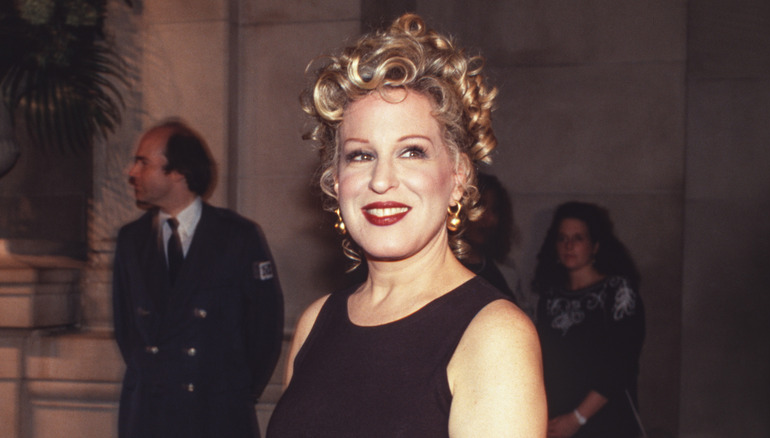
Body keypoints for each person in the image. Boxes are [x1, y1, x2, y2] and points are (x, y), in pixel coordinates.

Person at [267, 13, 546, 437]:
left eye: (412, 152)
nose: (381, 180)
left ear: (458, 178)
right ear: (336, 181)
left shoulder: (494, 335)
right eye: (361, 155)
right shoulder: (315, 322)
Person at [112, 119, 284, 438]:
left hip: (216, 415)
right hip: (150, 417)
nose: (131, 172)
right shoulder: (131, 240)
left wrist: (234, 392)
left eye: (143, 162)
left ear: (178, 172)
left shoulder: (237, 237)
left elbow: (265, 328)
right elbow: (126, 328)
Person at [531, 201, 645, 438]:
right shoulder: (549, 297)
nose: (569, 245)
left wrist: (577, 418)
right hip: (557, 420)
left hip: (606, 422)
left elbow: (621, 366)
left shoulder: (618, 291)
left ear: (595, 246)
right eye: (562, 238)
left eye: (578, 238)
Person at [462, 172, 516, 299]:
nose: (490, 219)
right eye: (480, 208)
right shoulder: (439, 271)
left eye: (494, 210)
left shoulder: (507, 271)